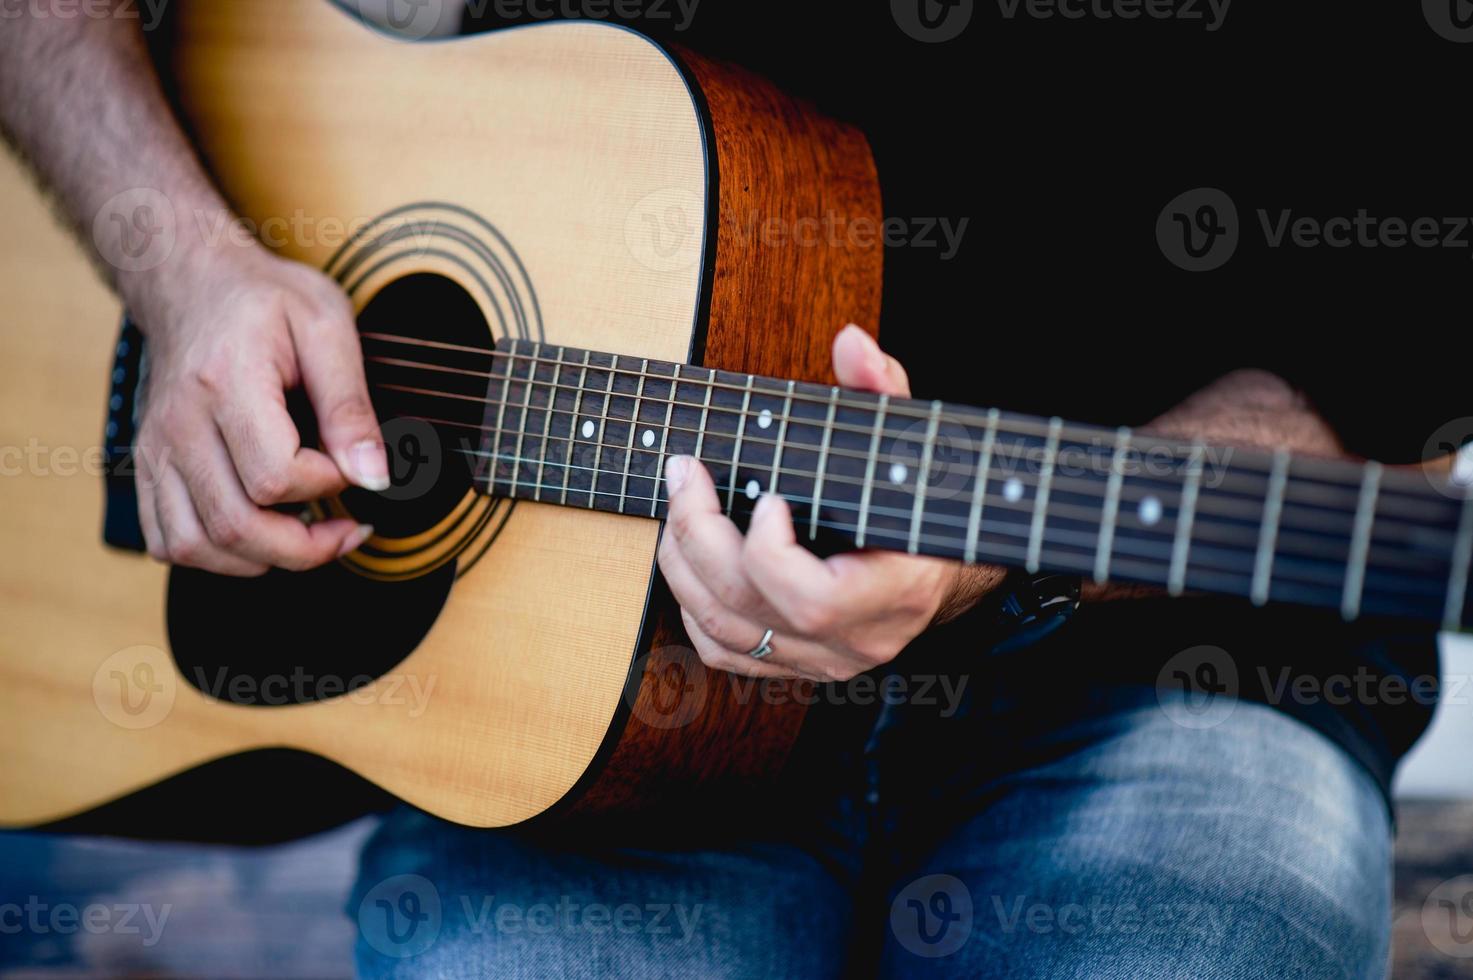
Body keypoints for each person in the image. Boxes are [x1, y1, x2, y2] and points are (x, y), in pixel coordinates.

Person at [2, 2, 1451, 976]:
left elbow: (1396, 394)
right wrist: (185, 270)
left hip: (1166, 674)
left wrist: (986, 563)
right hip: (582, 732)